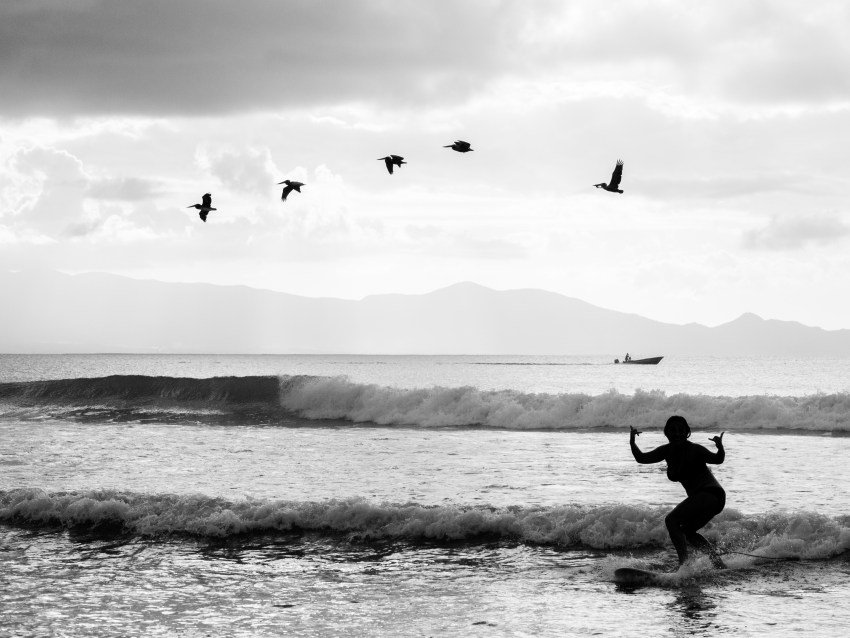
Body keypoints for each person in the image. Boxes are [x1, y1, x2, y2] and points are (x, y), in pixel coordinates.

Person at [629, 415, 727, 568]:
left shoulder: (695, 449)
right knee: (688, 531)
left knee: (671, 520)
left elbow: (717, 459)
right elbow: (642, 458)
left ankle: (684, 565)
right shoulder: (666, 451)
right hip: (706, 498)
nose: (677, 434)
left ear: (687, 432)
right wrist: (632, 442)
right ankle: (718, 563)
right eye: (672, 430)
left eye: (681, 430)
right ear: (666, 433)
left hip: (710, 493)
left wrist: (720, 447)